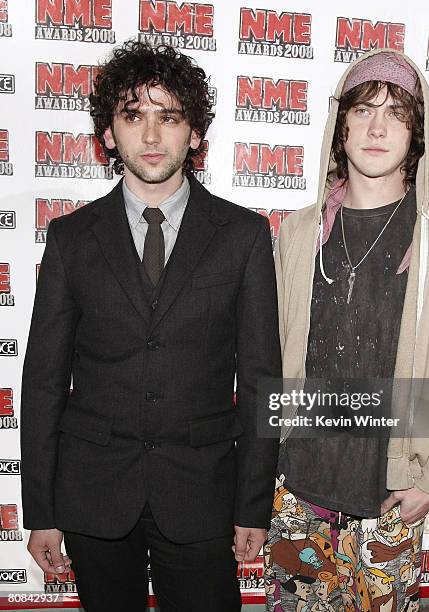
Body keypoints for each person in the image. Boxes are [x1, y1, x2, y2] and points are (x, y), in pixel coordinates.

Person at [21, 40, 281, 612]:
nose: (153, 136)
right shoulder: (71, 241)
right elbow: (42, 383)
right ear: (109, 134)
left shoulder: (242, 236)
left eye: (170, 116)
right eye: (134, 116)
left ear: (194, 133)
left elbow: (262, 380)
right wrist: (40, 512)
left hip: (202, 493)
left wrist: (252, 505)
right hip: (93, 493)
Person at [265, 49, 429, 611]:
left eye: (397, 113)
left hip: (392, 495)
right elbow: (275, 355)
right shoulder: (296, 234)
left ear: (418, 133)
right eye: (363, 110)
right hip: (299, 492)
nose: (378, 127)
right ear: (341, 127)